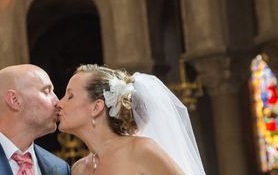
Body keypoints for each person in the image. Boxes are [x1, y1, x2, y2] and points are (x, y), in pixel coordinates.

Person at [57, 64, 205, 175]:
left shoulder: (141, 150)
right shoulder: (78, 169)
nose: (59, 103)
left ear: (96, 107)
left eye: (70, 96)